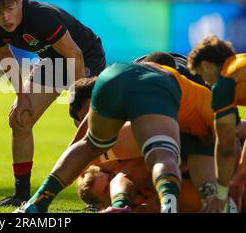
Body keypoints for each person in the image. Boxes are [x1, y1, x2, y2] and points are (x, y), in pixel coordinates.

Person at [16, 53, 221, 213]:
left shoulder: (195, 102)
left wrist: (76, 151)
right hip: (159, 87)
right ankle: (169, 208)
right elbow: (231, 141)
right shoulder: (207, 108)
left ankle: (36, 203)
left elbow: (88, 137)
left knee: (90, 145)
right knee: (163, 155)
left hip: (114, 73)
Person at [0, 0, 106, 207]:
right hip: (52, 61)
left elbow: (75, 55)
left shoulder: (41, 17)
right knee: (21, 119)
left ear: (19, 3)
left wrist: (76, 97)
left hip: (84, 56)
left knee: (89, 124)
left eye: (10, 10)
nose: (6, 18)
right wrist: (21, 97)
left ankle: (99, 196)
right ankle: (21, 194)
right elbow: (4, 55)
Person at [188, 35, 246, 213]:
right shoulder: (241, 63)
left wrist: (221, 195)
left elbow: (226, 148)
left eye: (202, 75)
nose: (205, 83)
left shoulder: (224, 84)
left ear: (207, 65)